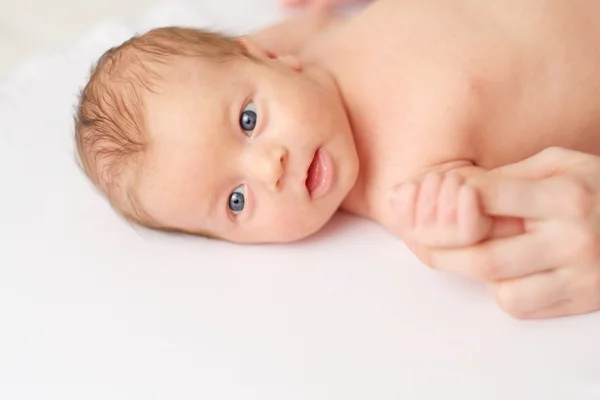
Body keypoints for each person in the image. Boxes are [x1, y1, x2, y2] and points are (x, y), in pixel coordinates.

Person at [74, 0, 600, 317]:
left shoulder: (315, 42)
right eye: (236, 200)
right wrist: (454, 212)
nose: (270, 168)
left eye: (249, 122)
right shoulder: (406, 188)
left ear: (271, 57)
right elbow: (506, 220)